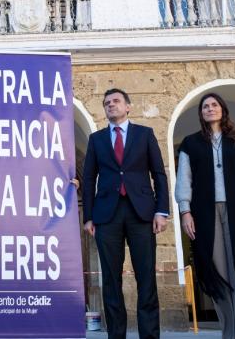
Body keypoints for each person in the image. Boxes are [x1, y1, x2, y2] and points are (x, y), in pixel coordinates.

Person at [176, 93, 235, 339]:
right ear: (201, 113)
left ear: (223, 109)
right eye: (205, 106)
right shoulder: (191, 143)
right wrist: (185, 211)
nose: (210, 109)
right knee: (217, 272)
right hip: (204, 213)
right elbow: (184, 180)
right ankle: (230, 333)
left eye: (214, 105)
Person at [82, 88, 169, 339]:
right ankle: (116, 335)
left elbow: (159, 174)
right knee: (110, 280)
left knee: (146, 279)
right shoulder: (96, 139)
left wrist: (161, 211)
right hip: (106, 215)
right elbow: (88, 179)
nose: (111, 105)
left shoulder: (145, 134)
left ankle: (149, 336)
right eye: (107, 102)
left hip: (141, 213)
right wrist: (88, 216)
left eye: (116, 101)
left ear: (128, 107)